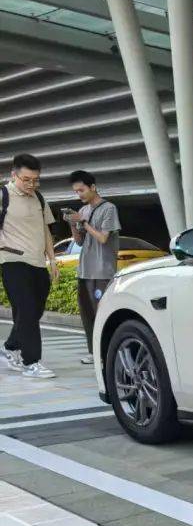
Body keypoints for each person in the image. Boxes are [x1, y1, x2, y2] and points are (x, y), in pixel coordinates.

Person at [0, 153, 58, 379]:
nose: (31, 185)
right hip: (12, 261)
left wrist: (52, 260)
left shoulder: (39, 198)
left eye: (35, 180)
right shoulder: (3, 195)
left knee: (34, 311)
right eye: (26, 180)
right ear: (13, 175)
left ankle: (10, 346)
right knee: (26, 310)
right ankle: (31, 362)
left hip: (37, 263)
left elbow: (45, 231)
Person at [65, 170, 120, 365]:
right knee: (88, 315)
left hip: (103, 271)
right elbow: (79, 242)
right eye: (76, 191)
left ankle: (107, 353)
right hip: (85, 270)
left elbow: (103, 238)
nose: (79, 194)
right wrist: (73, 224)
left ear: (93, 187)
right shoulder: (83, 211)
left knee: (102, 313)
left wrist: (83, 222)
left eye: (81, 190)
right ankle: (93, 352)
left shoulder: (109, 208)